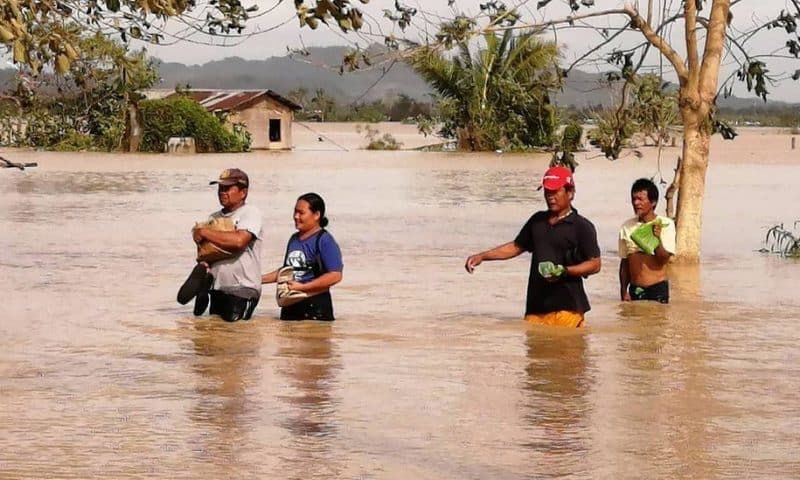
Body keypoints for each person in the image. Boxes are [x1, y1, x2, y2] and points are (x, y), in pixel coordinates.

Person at [465, 166, 601, 328]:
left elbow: (595, 264)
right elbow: (516, 246)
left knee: (566, 350)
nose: (550, 197)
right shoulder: (537, 221)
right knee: (535, 351)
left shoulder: (582, 227)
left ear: (570, 193)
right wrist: (482, 256)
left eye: (555, 192)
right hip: (535, 308)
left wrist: (564, 271)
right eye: (547, 192)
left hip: (567, 307)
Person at [177, 168, 263, 322]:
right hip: (217, 289)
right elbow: (208, 252)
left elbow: (239, 241)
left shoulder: (250, 213)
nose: (222, 192)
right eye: (220, 188)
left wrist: (204, 233)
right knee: (216, 338)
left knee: (237, 336)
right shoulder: (214, 217)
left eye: (227, 188)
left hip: (243, 289)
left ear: (243, 192)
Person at [261, 193, 343, 321]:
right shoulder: (294, 239)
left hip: (315, 307)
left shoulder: (324, 240)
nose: (296, 216)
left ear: (316, 215)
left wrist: (302, 287)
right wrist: (258, 280)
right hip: (290, 305)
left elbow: (335, 275)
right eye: (294, 212)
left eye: (301, 213)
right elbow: (287, 271)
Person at [618, 178, 676, 303]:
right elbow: (624, 262)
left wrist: (656, 239)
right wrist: (623, 291)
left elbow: (663, 260)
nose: (636, 203)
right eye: (634, 199)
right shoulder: (626, 227)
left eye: (640, 199)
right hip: (635, 289)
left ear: (653, 202)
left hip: (657, 288)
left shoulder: (665, 224)